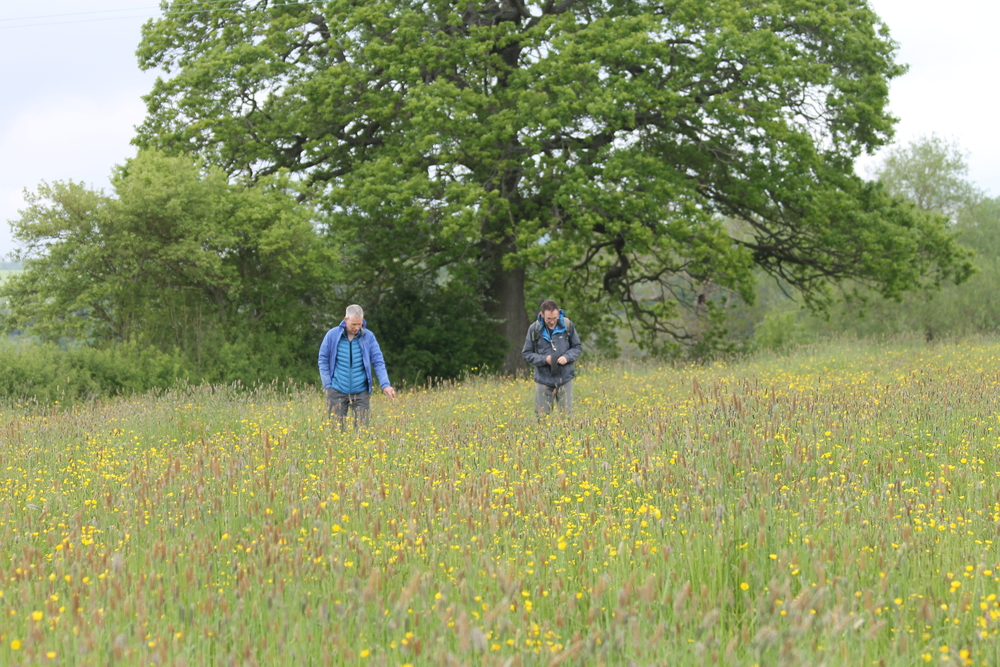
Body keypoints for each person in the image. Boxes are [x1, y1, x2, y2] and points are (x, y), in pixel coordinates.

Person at [318, 304, 396, 427]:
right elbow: (323, 359)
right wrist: (327, 385)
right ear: (345, 320)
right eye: (353, 324)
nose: (357, 327)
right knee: (335, 432)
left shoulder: (368, 337)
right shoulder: (332, 335)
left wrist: (385, 384)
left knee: (362, 432)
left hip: (361, 391)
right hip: (337, 389)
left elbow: (378, 361)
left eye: (359, 324)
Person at [522, 300, 582, 417]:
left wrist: (567, 357)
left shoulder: (567, 325)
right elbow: (527, 353)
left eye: (555, 318)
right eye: (549, 319)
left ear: (559, 313)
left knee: (567, 417)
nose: (552, 321)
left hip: (564, 377)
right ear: (542, 314)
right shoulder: (534, 329)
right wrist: (545, 359)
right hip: (543, 379)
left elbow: (577, 347)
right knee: (541, 417)